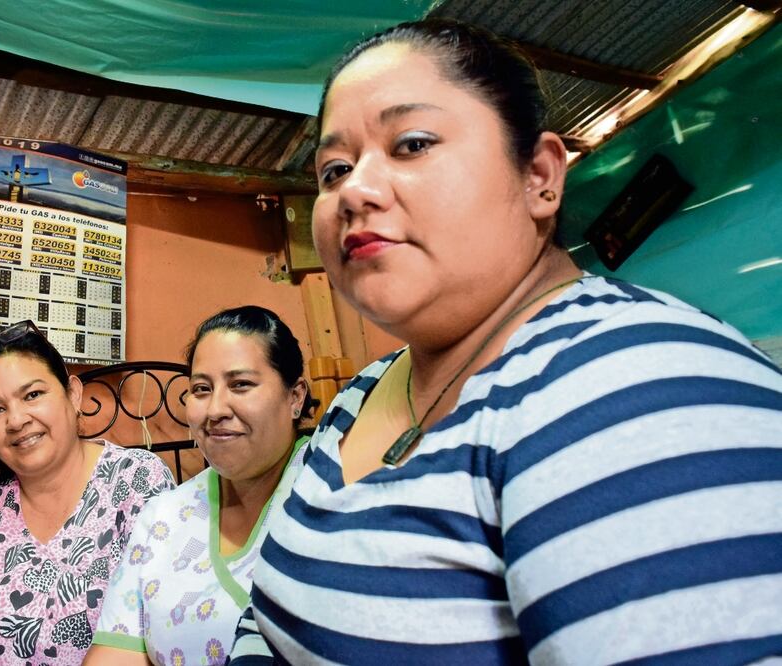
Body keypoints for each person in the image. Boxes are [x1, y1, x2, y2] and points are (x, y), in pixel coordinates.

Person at [230, 18, 782, 665]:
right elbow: (265, 619)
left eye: (410, 143)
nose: (354, 190)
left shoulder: (636, 386)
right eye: (332, 170)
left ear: (540, 176)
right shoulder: (358, 397)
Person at [0, 320, 175, 665]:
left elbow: (168, 632)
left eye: (33, 395)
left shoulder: (136, 482)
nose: (16, 420)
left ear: (73, 394)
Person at [85, 306, 310, 666]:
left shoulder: (331, 489)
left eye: (241, 385)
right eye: (201, 389)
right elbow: (117, 652)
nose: (215, 409)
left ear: (295, 396)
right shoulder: (164, 517)